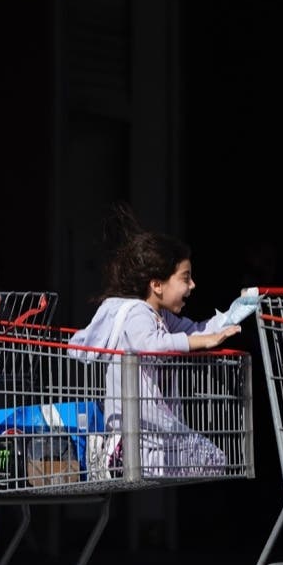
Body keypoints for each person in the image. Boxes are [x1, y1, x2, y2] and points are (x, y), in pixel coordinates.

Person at [68, 203, 257, 476]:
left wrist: (236, 312)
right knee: (210, 460)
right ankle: (113, 454)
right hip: (136, 431)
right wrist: (202, 343)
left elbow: (195, 330)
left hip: (158, 430)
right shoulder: (136, 313)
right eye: (185, 278)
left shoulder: (163, 318)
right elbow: (152, 345)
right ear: (157, 285)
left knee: (215, 460)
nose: (192, 286)